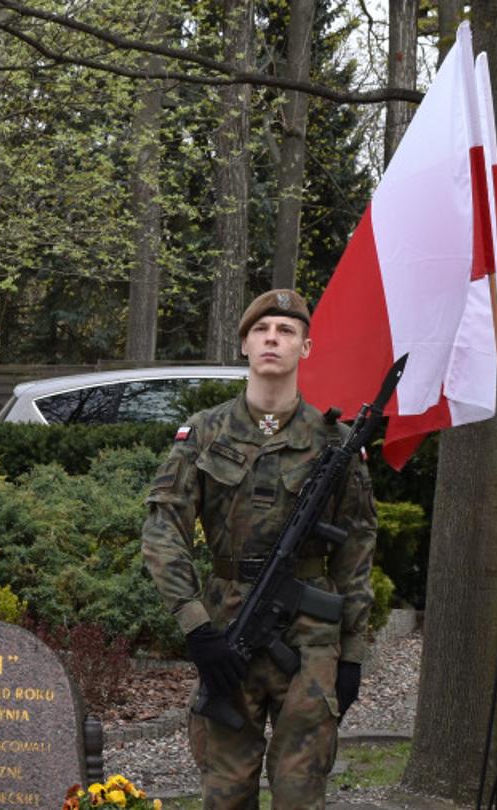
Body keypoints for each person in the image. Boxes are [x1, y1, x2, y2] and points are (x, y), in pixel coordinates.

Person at [140, 289, 377, 809]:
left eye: (286, 331)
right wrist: (196, 627)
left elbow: (357, 549)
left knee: (300, 790)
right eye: (261, 330)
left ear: (305, 348)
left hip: (311, 637)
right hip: (227, 628)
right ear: (244, 344)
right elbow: (162, 530)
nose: (273, 339)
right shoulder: (204, 432)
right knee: (225, 790)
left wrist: (353, 653)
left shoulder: (335, 443)